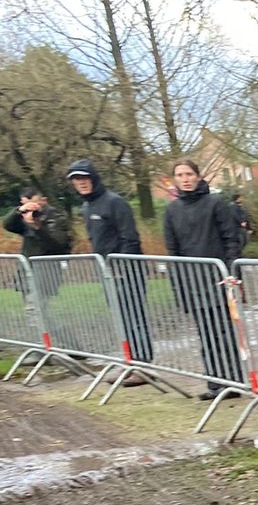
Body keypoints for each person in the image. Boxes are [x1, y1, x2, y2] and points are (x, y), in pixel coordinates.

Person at [163, 159, 244, 400]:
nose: (185, 178)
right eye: (180, 174)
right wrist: (179, 287)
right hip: (192, 280)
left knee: (223, 331)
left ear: (198, 176)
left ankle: (233, 381)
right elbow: (173, 251)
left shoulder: (215, 203)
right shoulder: (172, 210)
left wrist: (231, 273)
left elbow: (232, 239)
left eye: (189, 174)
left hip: (217, 278)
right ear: (175, 179)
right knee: (205, 334)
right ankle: (214, 382)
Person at [66, 159, 153, 367]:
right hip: (106, 272)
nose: (81, 183)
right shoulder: (86, 206)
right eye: (77, 179)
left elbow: (130, 237)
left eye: (85, 178)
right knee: (121, 317)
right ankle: (130, 361)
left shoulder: (114, 202)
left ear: (94, 178)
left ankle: (143, 364)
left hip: (126, 271)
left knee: (134, 317)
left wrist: (122, 266)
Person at [1, 188, 71, 300]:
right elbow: (8, 225)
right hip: (27, 267)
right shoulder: (26, 217)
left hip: (46, 270)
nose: (32, 208)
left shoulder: (56, 217)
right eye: (26, 204)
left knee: (37, 305)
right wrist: (19, 211)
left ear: (44, 200)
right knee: (31, 307)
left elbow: (58, 246)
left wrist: (37, 228)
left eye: (34, 204)